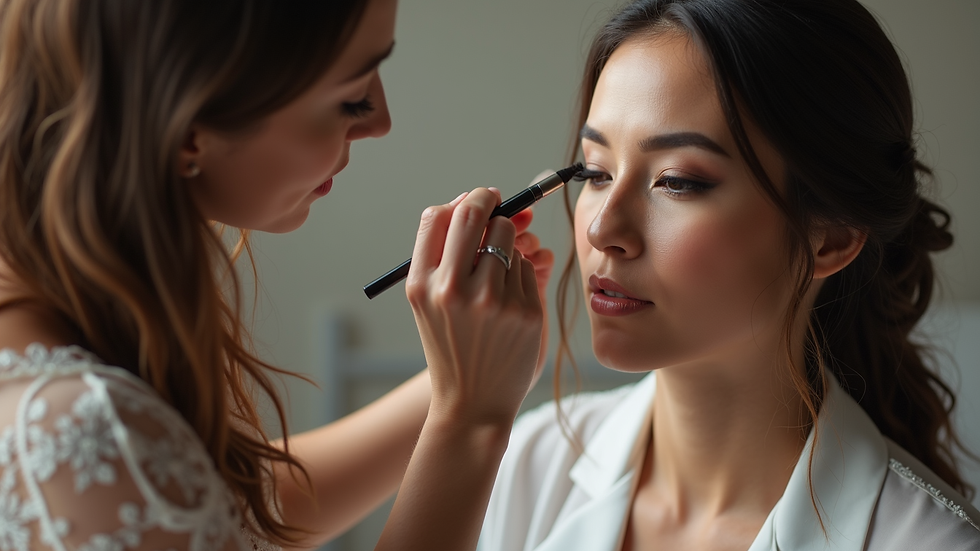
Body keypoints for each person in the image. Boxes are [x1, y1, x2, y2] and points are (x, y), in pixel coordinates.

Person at [0, 0, 555, 550]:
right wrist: (470, 418)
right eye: (352, 97)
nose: (380, 122)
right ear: (192, 122)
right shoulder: (78, 427)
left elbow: (229, 509)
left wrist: (480, 373)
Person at [477, 0, 980, 549]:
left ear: (831, 236)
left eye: (678, 182)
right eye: (595, 172)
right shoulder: (528, 463)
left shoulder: (933, 541)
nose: (601, 229)